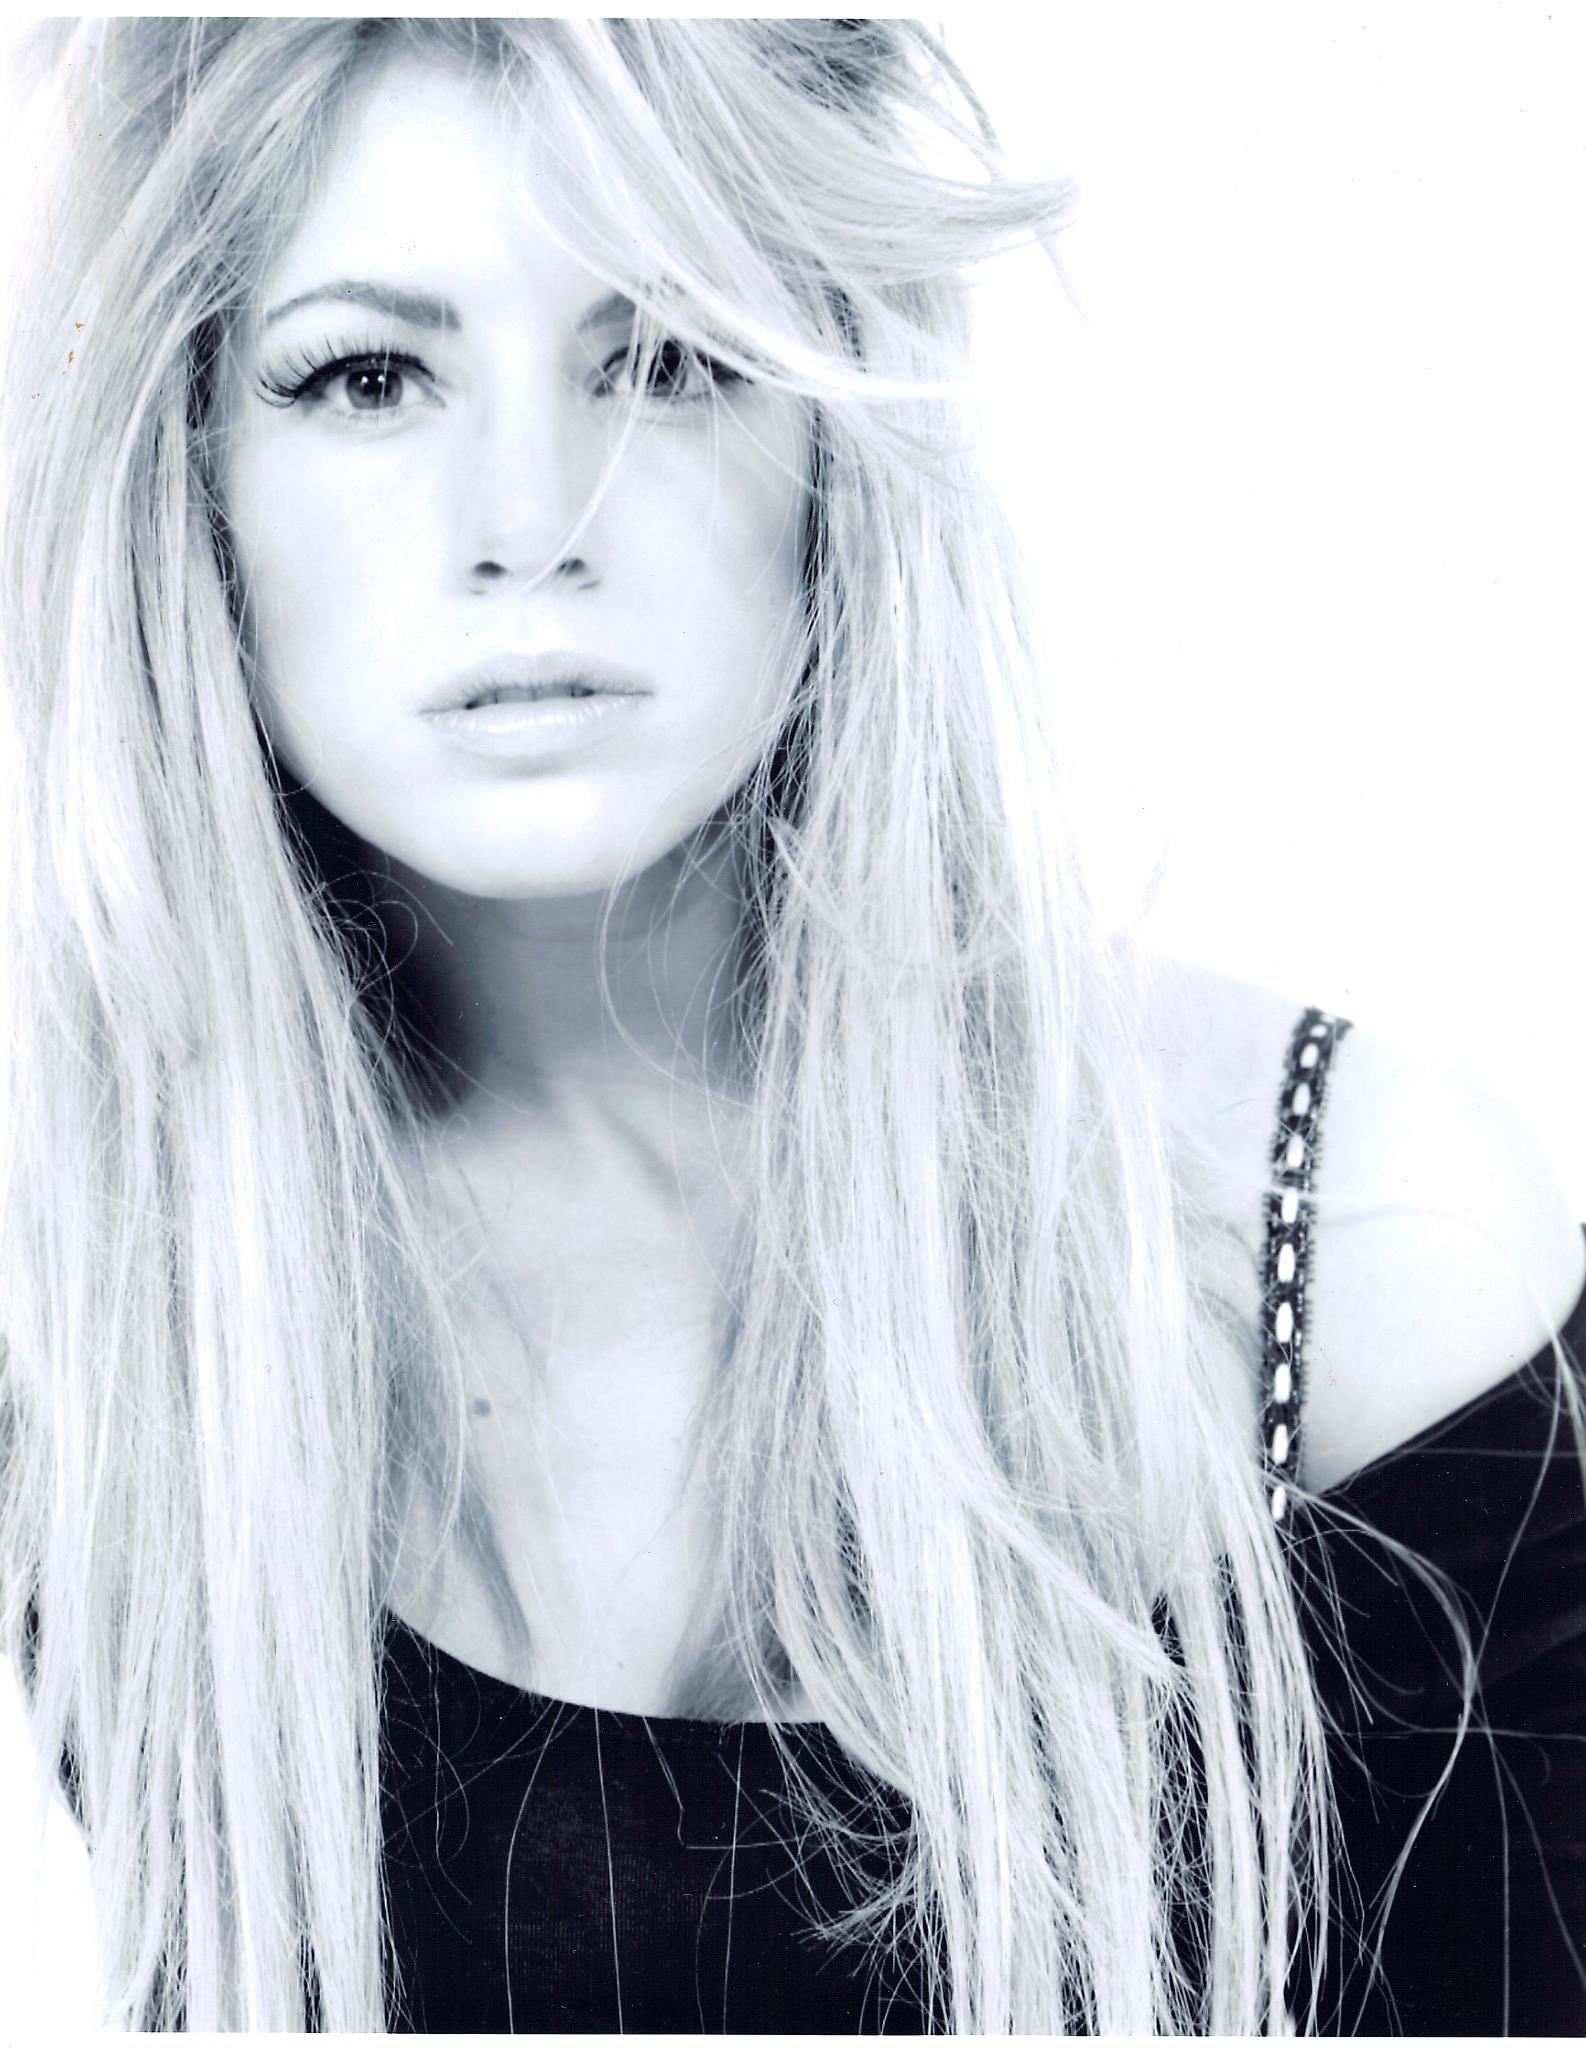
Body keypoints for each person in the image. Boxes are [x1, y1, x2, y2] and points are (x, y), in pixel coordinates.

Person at [1, 17, 1581, 2035]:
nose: (529, 520)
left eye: (667, 355)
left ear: (832, 431)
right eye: (369, 376)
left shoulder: (1346, 1242)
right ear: (190, 470)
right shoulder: (66, 1329)